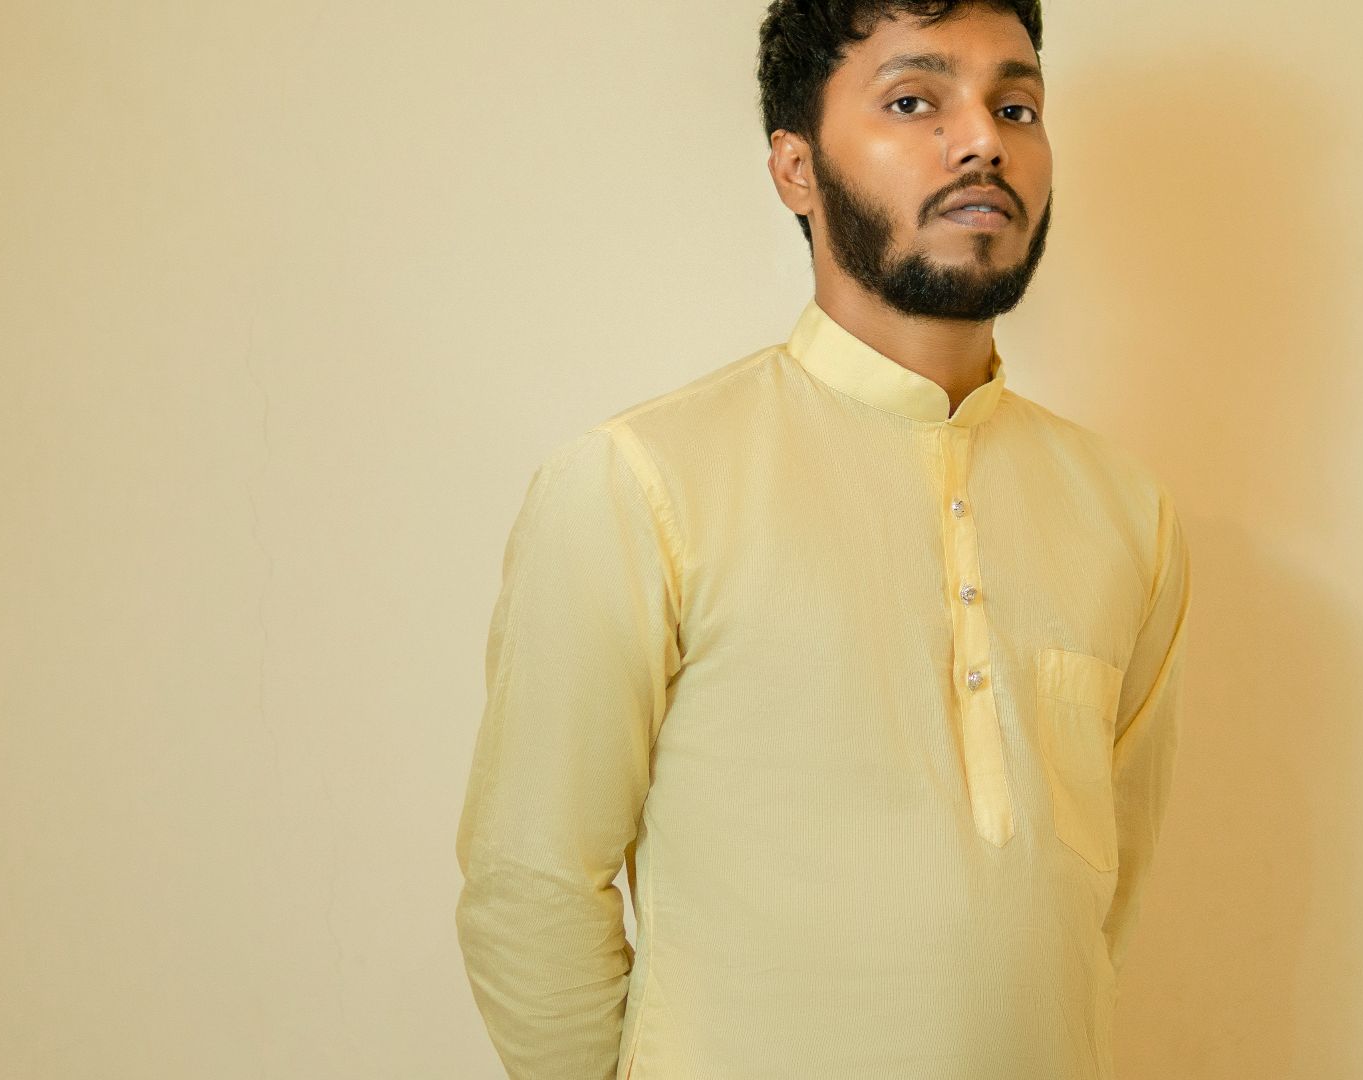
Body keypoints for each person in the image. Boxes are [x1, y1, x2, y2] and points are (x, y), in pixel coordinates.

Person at [452, 2, 1193, 1077]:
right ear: (796, 170)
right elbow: (530, 884)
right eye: (913, 99)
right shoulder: (643, 484)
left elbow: (1098, 911)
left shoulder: (1129, 515)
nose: (984, 138)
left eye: (1016, 104)